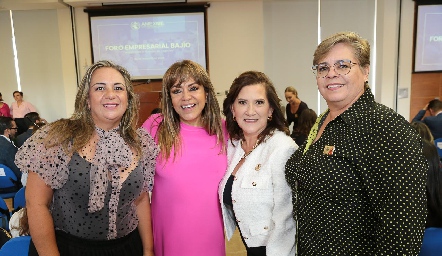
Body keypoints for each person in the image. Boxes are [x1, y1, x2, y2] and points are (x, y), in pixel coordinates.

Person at [285, 31, 428, 255]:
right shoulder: (323, 121)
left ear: (365, 71)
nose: (331, 73)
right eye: (323, 68)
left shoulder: (387, 130)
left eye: (343, 65)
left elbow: (402, 235)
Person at [14, 60, 158, 256]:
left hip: (128, 247)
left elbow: (140, 201)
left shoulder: (142, 142)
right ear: (87, 99)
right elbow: (37, 204)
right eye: (100, 88)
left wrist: (148, 250)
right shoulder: (57, 138)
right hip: (69, 248)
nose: (111, 94)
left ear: (128, 98)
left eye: (118, 88)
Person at [141, 60, 227, 256]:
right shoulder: (155, 126)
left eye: (193, 88)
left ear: (206, 92)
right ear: (169, 98)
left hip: (210, 239)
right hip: (168, 238)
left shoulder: (225, 130)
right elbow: (135, 189)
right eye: (177, 91)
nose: (186, 97)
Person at [219, 71, 297, 256]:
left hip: (274, 251)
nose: (250, 111)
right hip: (246, 247)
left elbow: (286, 219)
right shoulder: (234, 147)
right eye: (242, 102)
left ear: (270, 110)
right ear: (232, 109)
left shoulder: (282, 148)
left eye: (259, 102)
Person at [0, 116, 22, 181]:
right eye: (15, 128)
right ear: (8, 131)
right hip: (10, 186)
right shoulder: (9, 147)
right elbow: (18, 173)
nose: (16, 130)